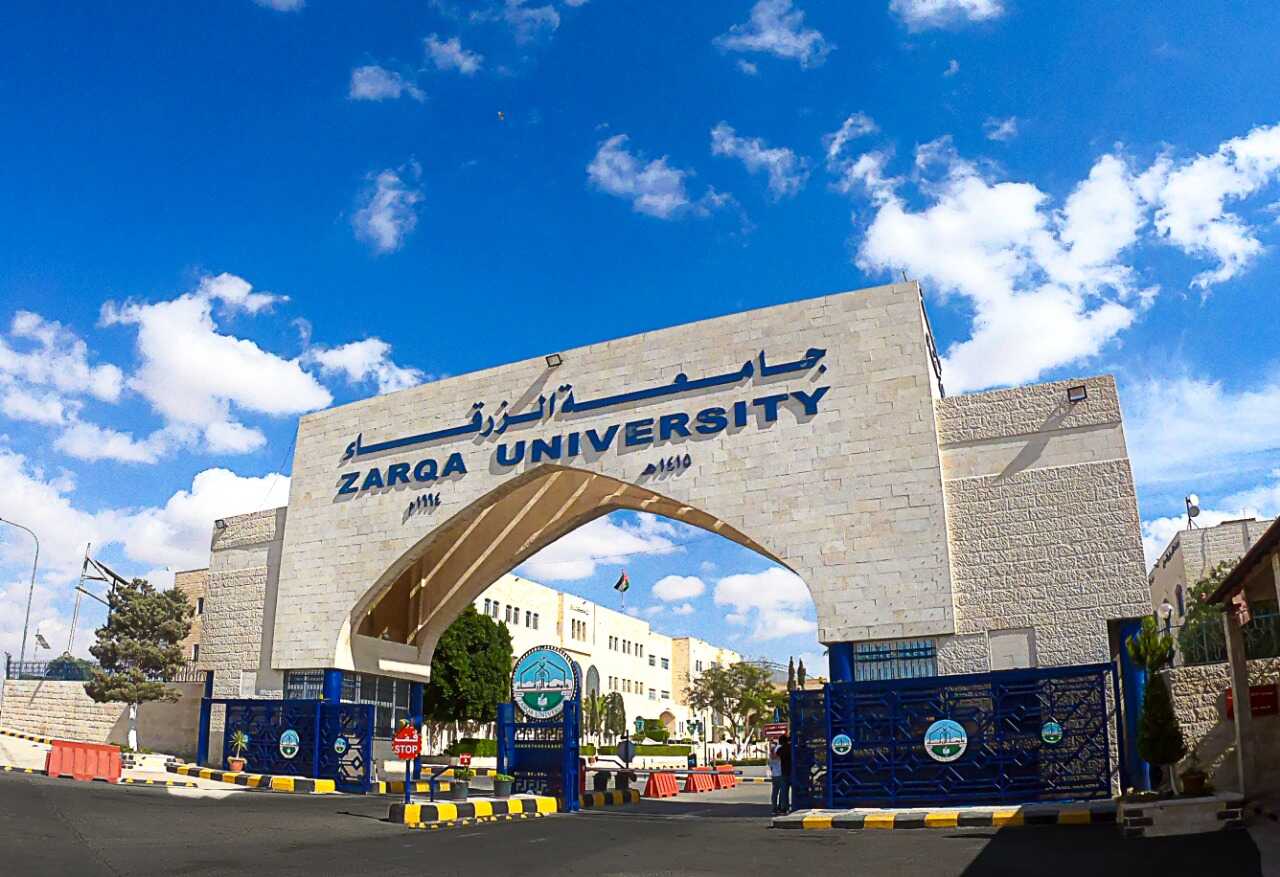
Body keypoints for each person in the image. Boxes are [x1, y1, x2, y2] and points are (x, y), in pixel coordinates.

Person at [770, 735, 791, 814]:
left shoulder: (775, 751)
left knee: (776, 792)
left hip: (776, 774)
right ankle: (783, 807)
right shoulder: (784, 748)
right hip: (783, 773)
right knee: (783, 793)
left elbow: (771, 763)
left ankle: (775, 808)